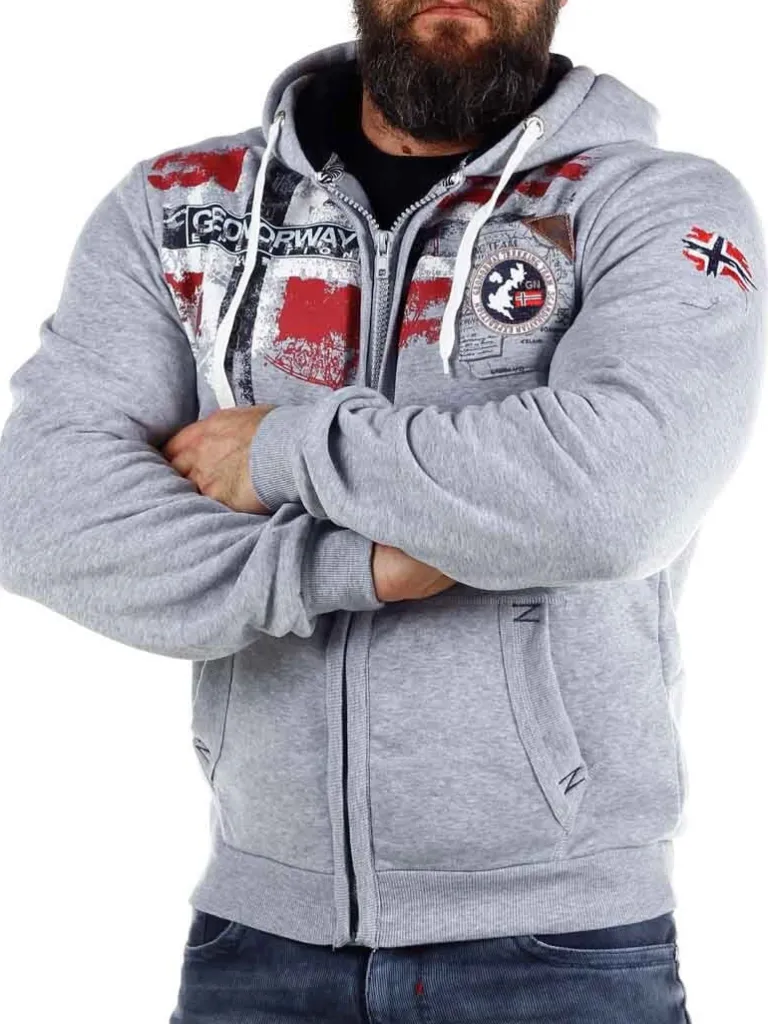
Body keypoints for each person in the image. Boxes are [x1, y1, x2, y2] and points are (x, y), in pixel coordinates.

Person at [0, 0, 763, 1020]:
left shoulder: (653, 204)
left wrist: (279, 449)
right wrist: (346, 568)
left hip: (561, 951)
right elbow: (40, 505)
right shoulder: (182, 207)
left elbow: (617, 496)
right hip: (254, 945)